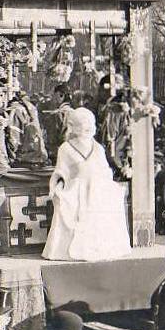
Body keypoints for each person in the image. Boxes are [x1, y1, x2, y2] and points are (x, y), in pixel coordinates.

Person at [42, 108, 131, 262]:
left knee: (106, 203)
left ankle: (101, 247)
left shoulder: (98, 148)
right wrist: (59, 185)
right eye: (83, 124)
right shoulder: (66, 148)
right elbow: (61, 171)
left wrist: (103, 179)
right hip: (76, 189)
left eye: (91, 124)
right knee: (69, 206)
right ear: (74, 127)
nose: (88, 128)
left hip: (97, 190)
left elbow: (105, 169)